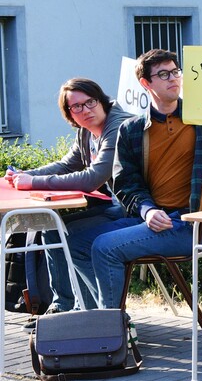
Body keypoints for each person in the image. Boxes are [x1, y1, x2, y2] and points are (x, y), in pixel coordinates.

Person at [70, 50, 202, 310]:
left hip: (188, 224)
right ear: (146, 83)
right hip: (150, 220)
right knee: (76, 242)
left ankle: (109, 326)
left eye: (175, 72)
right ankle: (93, 316)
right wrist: (147, 209)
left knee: (105, 247)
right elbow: (125, 182)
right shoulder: (131, 129)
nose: (173, 79)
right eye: (163, 74)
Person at [5, 79, 131, 312]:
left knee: (71, 237)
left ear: (101, 100)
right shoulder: (86, 131)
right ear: (70, 114)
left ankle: (95, 313)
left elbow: (93, 177)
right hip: (115, 205)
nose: (86, 110)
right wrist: (24, 175)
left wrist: (32, 182)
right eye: (77, 107)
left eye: (90, 102)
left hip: (135, 210)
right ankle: (64, 305)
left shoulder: (119, 127)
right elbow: (66, 165)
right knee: (52, 229)